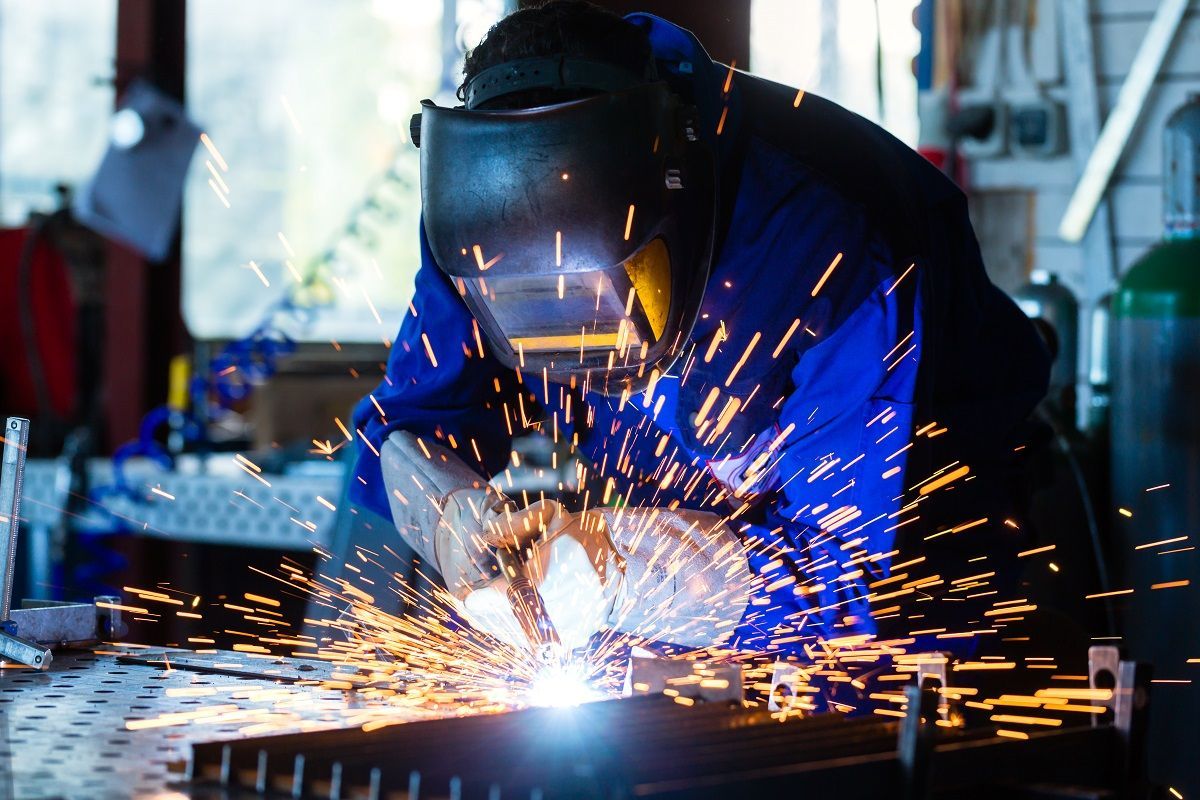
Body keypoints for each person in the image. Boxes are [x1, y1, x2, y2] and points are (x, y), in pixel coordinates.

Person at [349, 1, 1050, 658]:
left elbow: (849, 584)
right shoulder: (477, 222)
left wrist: (624, 573)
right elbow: (408, 429)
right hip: (679, 558)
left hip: (916, 555)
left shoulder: (827, 246)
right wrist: (451, 518)